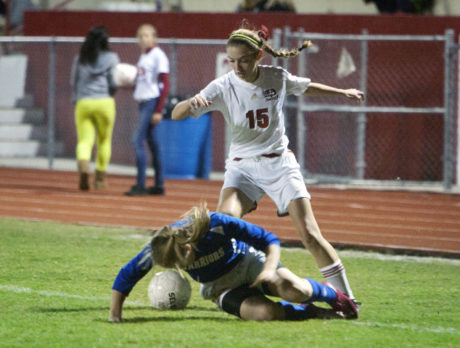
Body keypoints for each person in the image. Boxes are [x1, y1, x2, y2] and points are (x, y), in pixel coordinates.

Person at [171, 22, 364, 309]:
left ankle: (347, 300)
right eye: (232, 61)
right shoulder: (222, 86)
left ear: (259, 56)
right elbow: (176, 115)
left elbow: (306, 87)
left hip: (279, 164)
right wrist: (190, 103)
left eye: (244, 60)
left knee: (310, 234)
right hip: (242, 168)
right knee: (226, 224)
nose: (237, 67)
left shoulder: (275, 77)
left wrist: (342, 91)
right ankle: (236, 284)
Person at [109, 203, 358, 322]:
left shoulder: (216, 224)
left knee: (297, 290)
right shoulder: (163, 245)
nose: (179, 268)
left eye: (180, 263)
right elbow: (126, 275)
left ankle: (334, 295)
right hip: (219, 287)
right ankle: (313, 311)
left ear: (187, 247)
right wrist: (115, 316)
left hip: (249, 263)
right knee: (264, 313)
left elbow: (268, 239)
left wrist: (270, 269)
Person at [71, 25, 119, 191]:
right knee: (104, 141)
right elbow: (114, 81)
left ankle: (84, 168)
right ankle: (99, 179)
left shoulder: (81, 57)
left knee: (85, 140)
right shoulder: (112, 58)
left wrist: (76, 98)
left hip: (84, 102)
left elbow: (74, 80)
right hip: (105, 103)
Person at [125, 24, 170, 196]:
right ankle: (159, 185)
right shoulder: (144, 56)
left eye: (147, 35)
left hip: (151, 102)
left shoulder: (158, 55)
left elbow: (164, 84)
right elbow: (143, 81)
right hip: (143, 102)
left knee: (137, 140)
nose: (143, 38)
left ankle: (141, 184)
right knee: (153, 143)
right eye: (141, 35)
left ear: (154, 38)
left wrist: (158, 110)